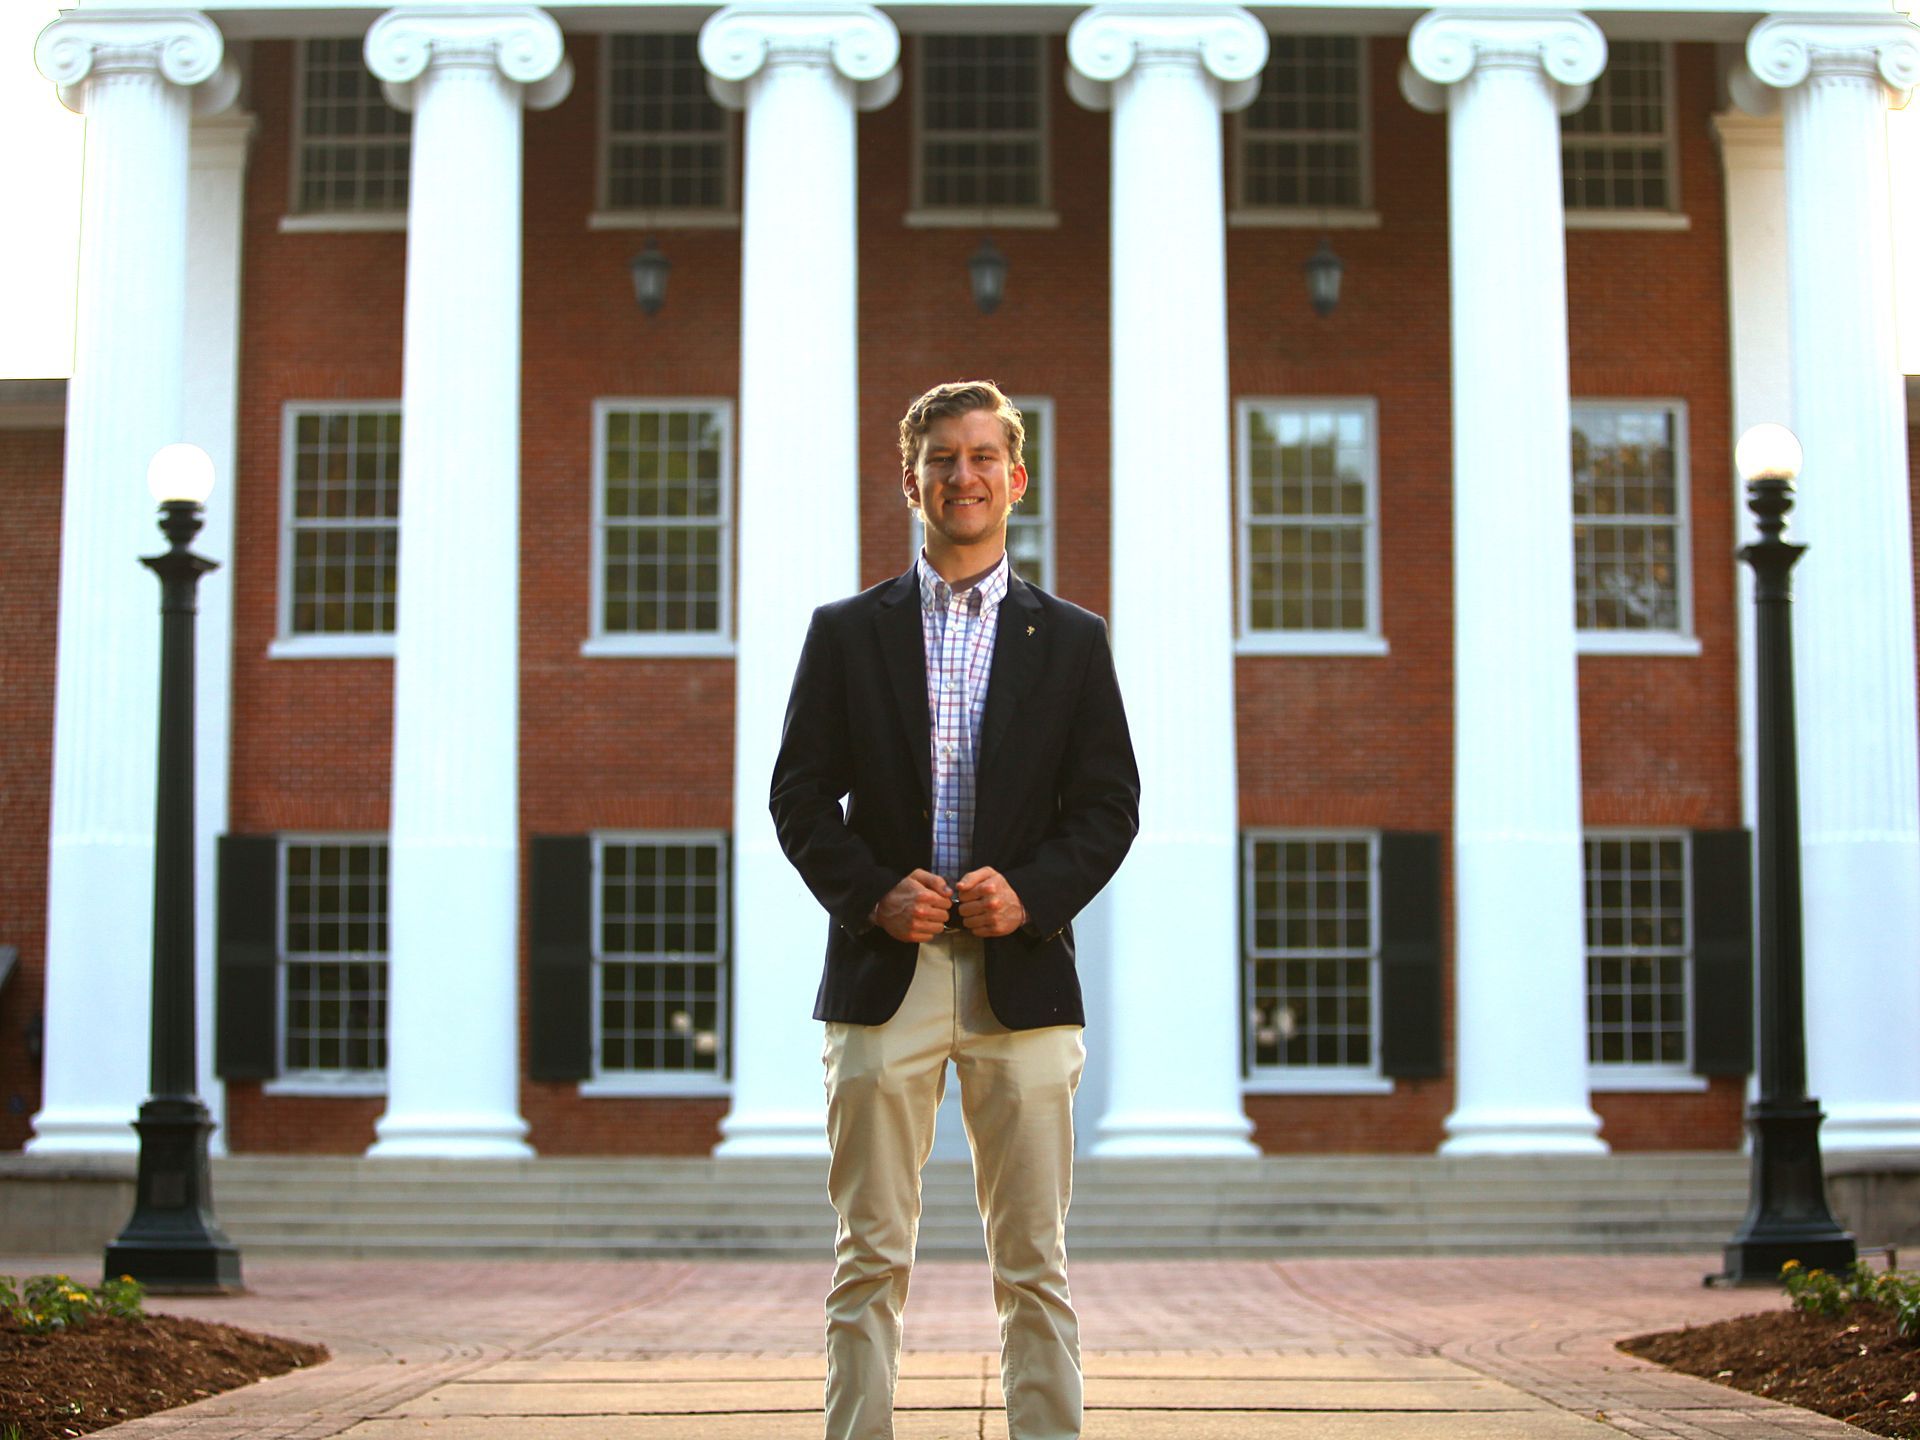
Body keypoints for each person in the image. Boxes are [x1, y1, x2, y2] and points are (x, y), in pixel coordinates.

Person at [770, 379, 1140, 1440]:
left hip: (1023, 979)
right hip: (885, 980)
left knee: (1033, 1261)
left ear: (1015, 479)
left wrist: (1032, 892)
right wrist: (872, 895)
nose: (963, 476)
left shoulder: (1070, 640)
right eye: (943, 458)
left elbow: (1109, 806)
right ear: (911, 478)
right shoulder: (845, 634)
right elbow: (798, 798)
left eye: (983, 457)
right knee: (869, 1254)